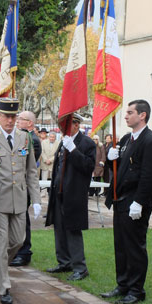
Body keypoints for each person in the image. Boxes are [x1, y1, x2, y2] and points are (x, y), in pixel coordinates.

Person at [0, 98, 41, 304]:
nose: (10, 120)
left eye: (13, 116)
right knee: (0, 242)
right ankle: (4, 286)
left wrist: (36, 199)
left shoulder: (25, 138)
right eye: (6, 116)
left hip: (19, 198)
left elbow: (31, 170)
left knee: (18, 240)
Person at [101, 99, 152, 304]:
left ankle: (136, 290)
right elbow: (119, 167)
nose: (125, 116)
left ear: (142, 115)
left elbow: (149, 175)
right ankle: (123, 284)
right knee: (121, 245)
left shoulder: (151, 141)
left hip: (135, 201)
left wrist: (140, 202)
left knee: (134, 246)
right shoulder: (127, 138)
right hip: (120, 199)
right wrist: (111, 158)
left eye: (130, 112)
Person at [45, 114, 96, 281]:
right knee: (59, 228)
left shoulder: (86, 143)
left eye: (66, 124)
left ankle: (80, 267)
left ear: (76, 124)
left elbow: (88, 166)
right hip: (59, 192)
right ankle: (64, 261)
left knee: (73, 229)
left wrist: (73, 150)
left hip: (74, 193)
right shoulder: (64, 141)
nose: (62, 127)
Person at [9, 110, 42, 267]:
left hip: (23, 186)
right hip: (14, 186)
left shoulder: (32, 140)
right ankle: (15, 250)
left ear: (30, 123)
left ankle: (24, 253)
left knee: (23, 221)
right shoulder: (21, 137)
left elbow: (25, 162)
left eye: (21, 119)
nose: (16, 121)